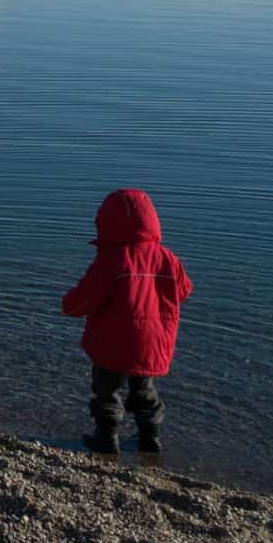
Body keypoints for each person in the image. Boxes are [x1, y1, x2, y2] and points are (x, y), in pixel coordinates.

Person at [60, 188, 193, 454]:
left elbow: (88, 298)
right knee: (144, 389)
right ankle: (150, 438)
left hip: (112, 341)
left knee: (106, 389)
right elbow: (183, 291)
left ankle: (107, 437)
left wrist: (69, 306)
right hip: (153, 341)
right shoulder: (168, 258)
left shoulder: (112, 259)